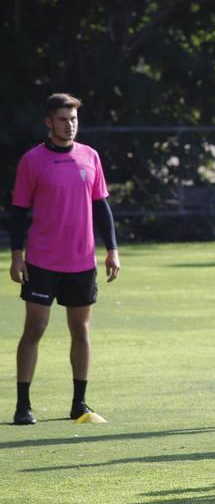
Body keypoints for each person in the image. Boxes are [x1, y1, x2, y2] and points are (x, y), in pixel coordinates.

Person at [9, 93, 120, 425]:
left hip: (82, 262)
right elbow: (18, 211)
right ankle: (23, 405)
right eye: (62, 119)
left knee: (81, 331)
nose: (69, 125)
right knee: (35, 327)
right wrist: (17, 256)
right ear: (48, 121)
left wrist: (112, 249)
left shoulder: (90, 157)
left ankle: (79, 404)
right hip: (41, 261)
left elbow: (101, 206)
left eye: (73, 119)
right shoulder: (33, 160)